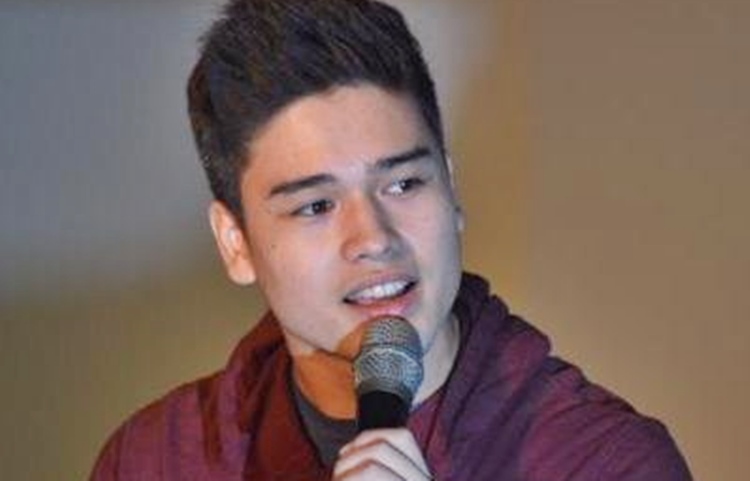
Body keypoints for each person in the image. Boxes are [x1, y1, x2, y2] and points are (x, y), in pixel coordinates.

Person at [90, 0, 692, 480]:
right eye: (316, 206)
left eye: (403, 184)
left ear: (451, 187)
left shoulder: (600, 462)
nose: (374, 238)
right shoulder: (158, 460)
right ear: (235, 243)